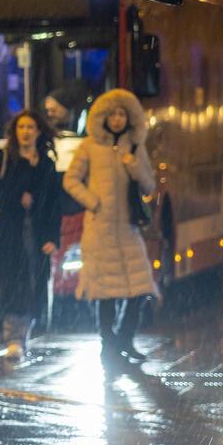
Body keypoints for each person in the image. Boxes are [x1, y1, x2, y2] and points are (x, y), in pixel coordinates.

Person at [63, 88, 158, 366]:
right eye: (112, 114)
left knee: (140, 289)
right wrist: (92, 202)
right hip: (100, 229)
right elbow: (70, 180)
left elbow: (149, 185)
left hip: (129, 230)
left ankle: (125, 340)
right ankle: (109, 343)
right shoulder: (89, 147)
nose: (117, 119)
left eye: (122, 114)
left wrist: (133, 164)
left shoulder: (135, 147)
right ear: (103, 117)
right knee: (104, 292)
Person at [0, 110, 65, 358]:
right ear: (14, 132)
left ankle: (23, 334)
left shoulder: (47, 163)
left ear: (39, 132)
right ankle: (13, 338)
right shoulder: (3, 157)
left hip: (36, 235)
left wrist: (52, 237)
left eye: (30, 127)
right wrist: (16, 199)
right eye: (21, 128)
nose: (25, 132)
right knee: (10, 283)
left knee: (33, 283)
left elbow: (53, 204)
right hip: (7, 234)